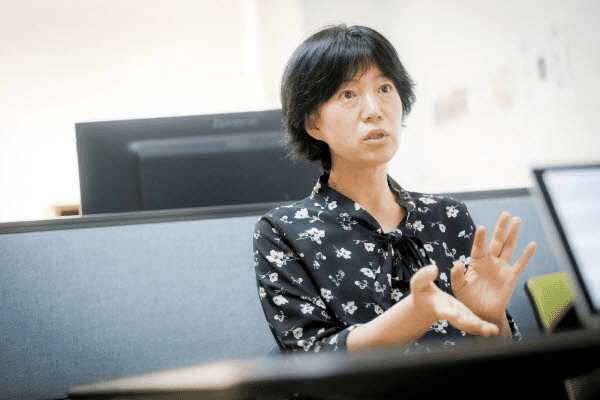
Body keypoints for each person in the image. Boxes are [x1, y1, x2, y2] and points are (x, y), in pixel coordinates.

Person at [253, 24, 537, 354]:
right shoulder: (284, 232)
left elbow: (505, 362)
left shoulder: (447, 215)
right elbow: (309, 357)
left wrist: (490, 316)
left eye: (385, 88)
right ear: (314, 122)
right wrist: (415, 314)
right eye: (348, 94)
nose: (374, 110)